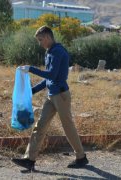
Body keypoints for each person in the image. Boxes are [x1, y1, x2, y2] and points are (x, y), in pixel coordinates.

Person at [12, 26, 88, 170]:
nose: (40, 43)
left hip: (61, 96)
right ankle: (29, 159)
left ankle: (81, 157)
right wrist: (32, 91)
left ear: (47, 37)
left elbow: (52, 75)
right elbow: (49, 80)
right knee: (39, 126)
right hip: (51, 95)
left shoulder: (58, 52)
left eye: (41, 40)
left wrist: (31, 69)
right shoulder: (50, 52)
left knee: (68, 128)